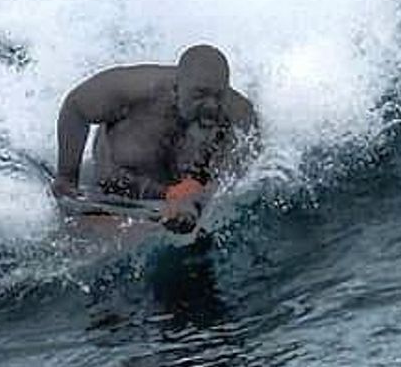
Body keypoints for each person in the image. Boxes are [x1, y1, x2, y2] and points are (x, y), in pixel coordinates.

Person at [52, 44, 259, 233]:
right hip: (105, 192)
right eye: (200, 95)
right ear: (176, 89)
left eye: (219, 95)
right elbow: (76, 107)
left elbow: (243, 167)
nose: (211, 105)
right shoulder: (133, 90)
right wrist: (67, 178)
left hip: (165, 206)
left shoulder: (240, 115)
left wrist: (197, 196)